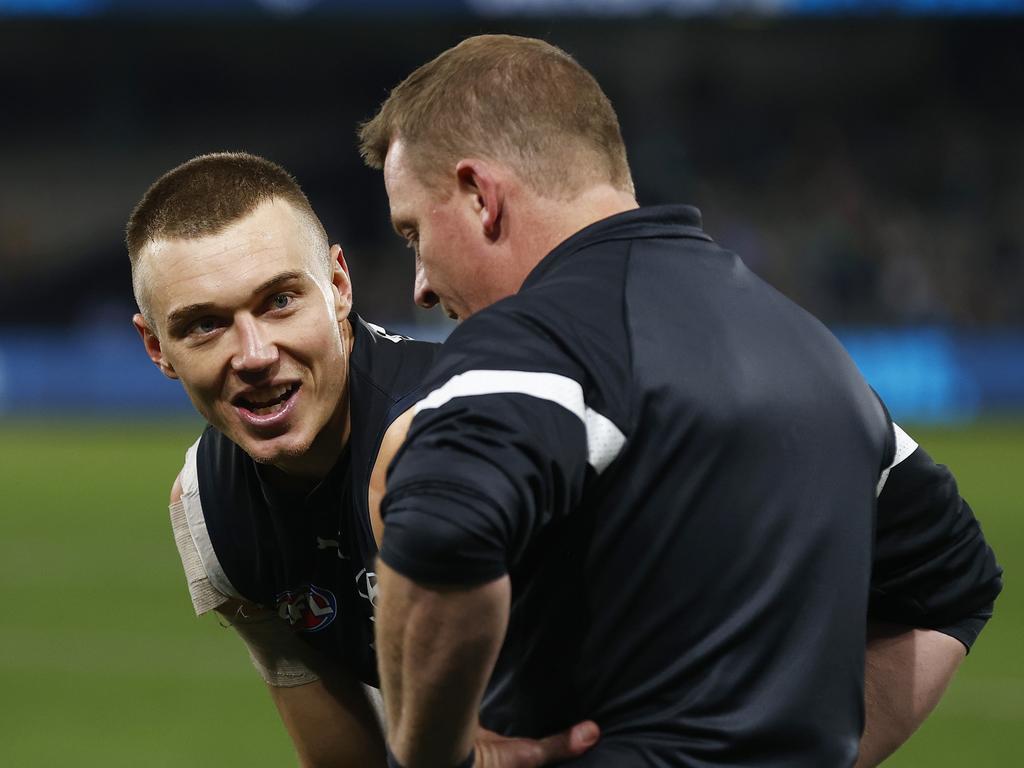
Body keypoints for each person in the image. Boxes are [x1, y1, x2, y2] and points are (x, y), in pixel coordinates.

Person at [358, 35, 1004, 768]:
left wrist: (430, 757)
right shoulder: (808, 347)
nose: (420, 285)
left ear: (480, 196)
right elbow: (953, 581)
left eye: (414, 232)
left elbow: (442, 533)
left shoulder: (539, 336)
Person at [126, 151, 600, 768]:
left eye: (279, 302)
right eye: (205, 326)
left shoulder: (448, 442)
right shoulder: (210, 511)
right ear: (157, 348)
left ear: (339, 286)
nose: (254, 354)